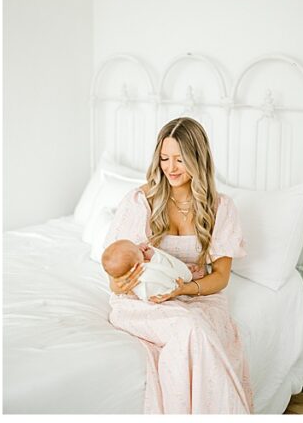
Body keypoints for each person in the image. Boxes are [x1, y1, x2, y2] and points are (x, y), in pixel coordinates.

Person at [103, 117, 253, 414]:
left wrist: (183, 289)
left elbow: (221, 277)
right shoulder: (140, 201)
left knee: (194, 327)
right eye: (164, 158)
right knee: (189, 328)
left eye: (180, 160)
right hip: (144, 302)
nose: (170, 168)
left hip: (198, 297)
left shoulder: (220, 207)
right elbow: (116, 277)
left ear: (198, 159)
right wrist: (120, 284)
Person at [101, 239, 204, 302]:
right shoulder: (146, 270)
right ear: (137, 264)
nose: (139, 246)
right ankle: (189, 275)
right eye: (136, 248)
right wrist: (154, 256)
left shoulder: (133, 267)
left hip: (147, 299)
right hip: (164, 293)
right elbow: (167, 271)